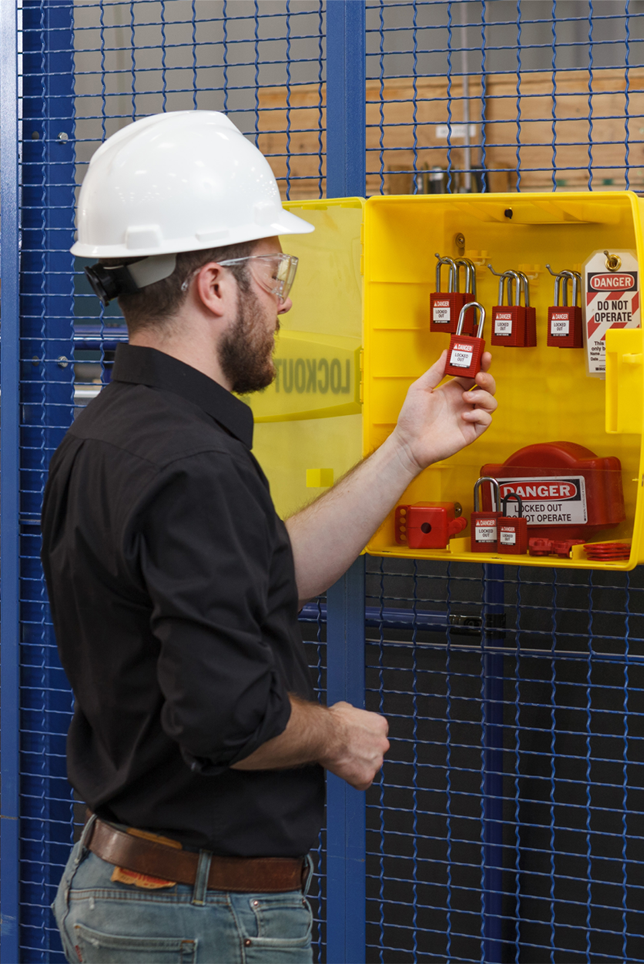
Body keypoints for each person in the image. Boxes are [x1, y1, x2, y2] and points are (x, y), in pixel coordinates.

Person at [43, 110, 496, 962]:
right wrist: (338, 734)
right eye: (272, 272)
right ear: (216, 287)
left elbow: (265, 574)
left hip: (136, 892)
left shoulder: (108, 436)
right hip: (201, 919)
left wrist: (406, 450)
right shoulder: (193, 467)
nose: (282, 299)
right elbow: (226, 722)